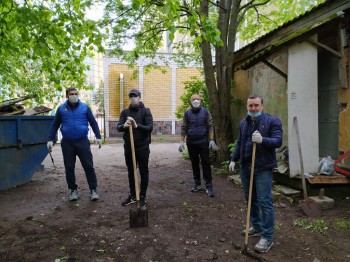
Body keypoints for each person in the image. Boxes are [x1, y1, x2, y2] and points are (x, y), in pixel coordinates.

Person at [229, 94, 282, 253]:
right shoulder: (244, 122)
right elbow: (240, 142)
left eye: (256, 105)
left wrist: (262, 140)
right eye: (250, 105)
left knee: (264, 200)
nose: (253, 108)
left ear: (262, 106)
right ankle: (257, 226)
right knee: (250, 198)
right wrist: (233, 159)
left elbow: (278, 141)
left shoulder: (273, 121)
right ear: (247, 106)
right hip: (246, 166)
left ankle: (267, 236)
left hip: (263, 167)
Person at [47, 87, 102, 201]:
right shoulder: (61, 109)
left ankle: (93, 189)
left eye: (76, 94)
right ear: (67, 96)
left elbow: (93, 123)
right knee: (69, 167)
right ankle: (73, 190)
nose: (74, 96)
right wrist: (50, 139)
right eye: (72, 94)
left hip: (82, 141)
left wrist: (98, 136)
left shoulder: (85, 108)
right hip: (67, 143)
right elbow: (55, 125)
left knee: (88, 166)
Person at [117, 88, 153, 208]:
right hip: (129, 147)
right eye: (131, 96)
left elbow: (149, 128)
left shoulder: (146, 111)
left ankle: (142, 196)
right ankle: (133, 195)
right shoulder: (125, 112)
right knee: (131, 171)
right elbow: (118, 127)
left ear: (139, 97)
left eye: (135, 96)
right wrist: (124, 126)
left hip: (142, 147)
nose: (133, 98)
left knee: (143, 171)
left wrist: (137, 126)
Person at [179, 94, 218, 197]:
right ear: (190, 101)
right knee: (194, 163)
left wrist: (212, 140)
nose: (196, 100)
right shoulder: (187, 113)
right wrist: (182, 141)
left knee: (206, 163)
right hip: (191, 143)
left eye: (198, 99)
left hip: (203, 142)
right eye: (194, 99)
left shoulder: (205, 112)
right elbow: (184, 127)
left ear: (200, 100)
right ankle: (197, 183)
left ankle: (209, 185)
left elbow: (210, 126)